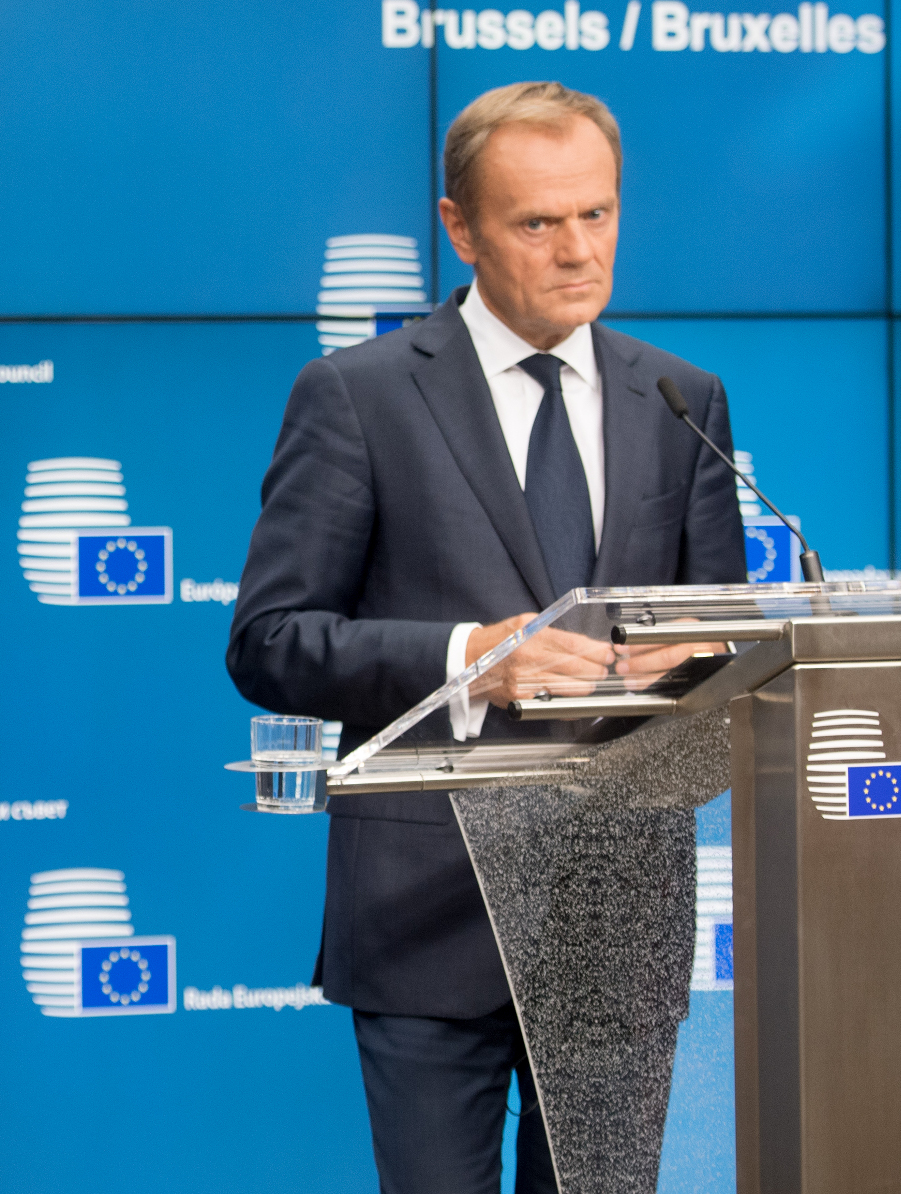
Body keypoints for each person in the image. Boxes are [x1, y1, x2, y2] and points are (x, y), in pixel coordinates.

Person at [226, 81, 746, 1194]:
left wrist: (694, 662)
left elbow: (721, 638)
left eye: (596, 215)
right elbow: (269, 638)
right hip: (428, 902)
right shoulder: (357, 396)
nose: (577, 250)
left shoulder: (680, 397)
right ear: (459, 228)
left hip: (616, 904)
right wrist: (470, 654)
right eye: (537, 222)